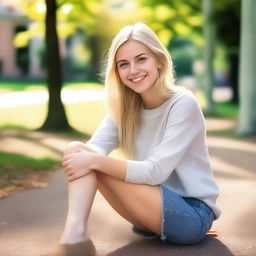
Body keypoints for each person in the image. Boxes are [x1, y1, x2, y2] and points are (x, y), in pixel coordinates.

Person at [42, 22, 221, 256]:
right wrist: (84, 156)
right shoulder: (126, 107)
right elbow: (93, 148)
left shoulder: (183, 103)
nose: (133, 70)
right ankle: (75, 233)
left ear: (160, 60)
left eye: (141, 59)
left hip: (192, 214)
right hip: (149, 211)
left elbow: (155, 171)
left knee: (89, 159)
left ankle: (74, 241)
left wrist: (94, 162)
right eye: (123, 64)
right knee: (77, 149)